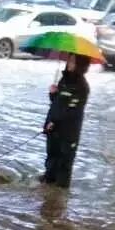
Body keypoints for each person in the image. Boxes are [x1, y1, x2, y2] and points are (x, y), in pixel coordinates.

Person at [42, 55, 91, 188]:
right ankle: (47, 186)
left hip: (68, 132)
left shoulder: (82, 87)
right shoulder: (63, 80)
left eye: (73, 61)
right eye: (69, 60)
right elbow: (57, 103)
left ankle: (59, 193)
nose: (69, 63)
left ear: (80, 64)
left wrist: (55, 122)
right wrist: (53, 94)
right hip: (53, 127)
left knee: (64, 162)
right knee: (51, 157)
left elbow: (72, 111)